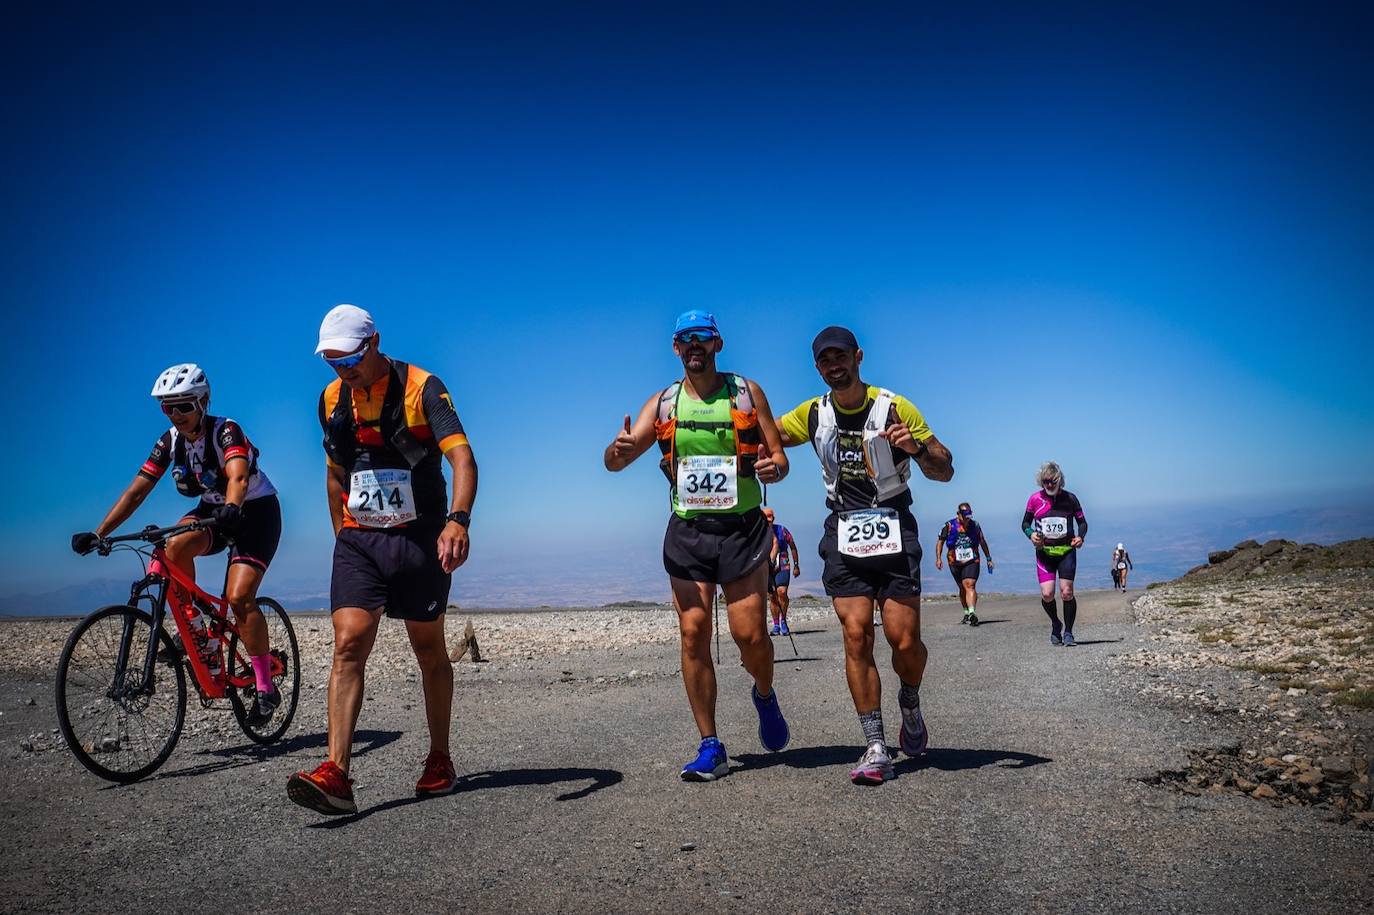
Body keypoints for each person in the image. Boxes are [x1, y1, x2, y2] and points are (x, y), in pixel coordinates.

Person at [287, 305, 477, 815]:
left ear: (373, 342)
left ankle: (440, 757)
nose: (342, 371)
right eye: (332, 362)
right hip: (359, 540)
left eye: (349, 359)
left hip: (420, 538)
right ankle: (337, 774)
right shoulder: (330, 399)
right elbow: (334, 473)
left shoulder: (423, 387)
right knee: (348, 643)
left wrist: (457, 520)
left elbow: (463, 458)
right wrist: (343, 540)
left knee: (428, 649)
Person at [604, 310, 791, 782]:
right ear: (675, 347)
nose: (694, 346)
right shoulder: (665, 403)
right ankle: (711, 744)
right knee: (693, 632)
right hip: (688, 531)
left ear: (717, 344)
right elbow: (615, 462)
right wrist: (618, 451)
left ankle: (764, 693)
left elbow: (779, 458)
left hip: (743, 529)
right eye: (685, 339)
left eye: (702, 338)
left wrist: (774, 468)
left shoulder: (747, 392)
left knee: (750, 636)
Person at [777, 326, 954, 785]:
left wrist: (914, 449)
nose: (834, 366)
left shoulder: (894, 407)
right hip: (844, 529)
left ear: (858, 357)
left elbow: (944, 469)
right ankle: (875, 745)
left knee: (904, 641)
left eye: (841, 357)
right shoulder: (813, 414)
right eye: (824, 361)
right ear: (818, 368)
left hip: (894, 523)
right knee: (856, 634)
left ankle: (910, 702)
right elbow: (765, 435)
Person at [71, 364, 283, 725]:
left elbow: (238, 475)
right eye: (167, 407)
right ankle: (200, 631)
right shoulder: (170, 441)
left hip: (254, 514)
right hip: (214, 511)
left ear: (202, 402)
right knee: (172, 547)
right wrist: (101, 532)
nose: (175, 415)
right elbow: (137, 490)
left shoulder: (226, 430)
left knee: (239, 597)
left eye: (183, 406)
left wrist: (233, 505)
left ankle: (266, 686)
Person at [1022, 462, 1088, 646]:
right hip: (1044, 553)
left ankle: (1068, 632)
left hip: (1066, 551)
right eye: (1045, 482)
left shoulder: (1070, 499)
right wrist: (1031, 534)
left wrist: (1080, 537)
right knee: (1047, 594)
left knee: (1067, 592)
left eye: (1052, 481)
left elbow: (1083, 523)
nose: (1049, 485)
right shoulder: (1035, 499)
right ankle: (1055, 623)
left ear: (1059, 480)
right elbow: (1025, 524)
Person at [933, 503, 993, 626]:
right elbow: (940, 542)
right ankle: (966, 612)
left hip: (972, 559)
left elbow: (982, 541)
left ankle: (972, 613)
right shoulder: (949, 525)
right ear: (958, 514)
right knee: (962, 587)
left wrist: (988, 558)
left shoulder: (975, 525)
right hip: (954, 560)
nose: (967, 519)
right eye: (964, 516)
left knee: (969, 584)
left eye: (968, 516)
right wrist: (938, 558)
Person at [761, 507, 800, 636]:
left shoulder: (782, 530)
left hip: (783, 563)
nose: (768, 521)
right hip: (767, 564)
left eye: (770, 519)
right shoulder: (759, 533)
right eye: (765, 519)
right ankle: (776, 624)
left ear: (773, 519)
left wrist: (796, 565)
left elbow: (793, 547)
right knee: (772, 596)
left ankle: (784, 621)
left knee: (782, 592)